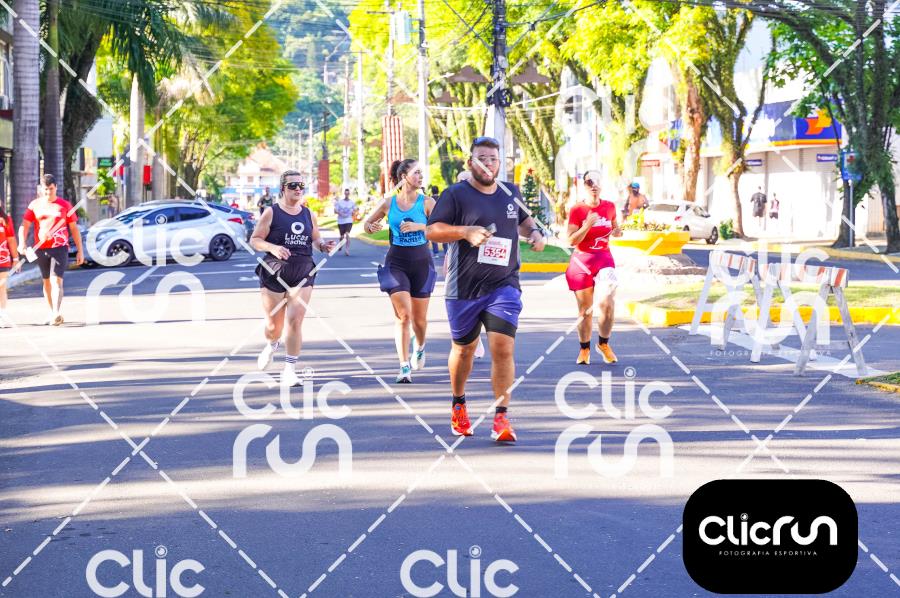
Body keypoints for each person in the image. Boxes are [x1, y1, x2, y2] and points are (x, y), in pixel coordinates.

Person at [426, 136, 545, 442]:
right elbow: (433, 230)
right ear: (471, 162)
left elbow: (524, 221)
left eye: (493, 159)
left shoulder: (510, 192)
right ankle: (459, 404)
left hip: (503, 284)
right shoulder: (455, 194)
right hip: (464, 286)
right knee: (464, 349)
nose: (488, 164)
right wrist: (464, 231)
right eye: (482, 158)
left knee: (503, 347)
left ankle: (501, 417)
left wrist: (534, 233)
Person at [251, 171, 335, 387]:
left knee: (295, 320)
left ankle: (289, 370)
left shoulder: (308, 214)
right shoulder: (272, 212)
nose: (298, 189)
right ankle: (272, 344)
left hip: (303, 269)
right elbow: (255, 240)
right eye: (293, 185)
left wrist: (323, 246)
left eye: (301, 185)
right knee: (273, 326)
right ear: (283, 188)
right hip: (275, 270)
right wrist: (273, 247)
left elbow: (315, 238)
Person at [363, 159, 436, 383]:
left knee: (419, 321)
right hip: (397, 263)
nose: (420, 177)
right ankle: (404, 367)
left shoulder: (428, 203)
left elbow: (441, 229)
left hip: (422, 263)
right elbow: (367, 224)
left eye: (421, 173)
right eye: (416, 173)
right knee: (403, 316)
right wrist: (371, 226)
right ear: (404, 177)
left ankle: (420, 347)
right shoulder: (388, 203)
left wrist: (419, 226)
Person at [565, 170, 622, 365]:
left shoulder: (610, 206)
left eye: (597, 181)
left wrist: (617, 231)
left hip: (604, 259)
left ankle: (603, 344)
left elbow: (614, 227)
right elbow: (571, 240)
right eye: (590, 182)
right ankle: (584, 349)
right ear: (584, 186)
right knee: (585, 311)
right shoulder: (577, 210)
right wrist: (587, 225)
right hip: (582, 261)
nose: (594, 185)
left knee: (607, 302)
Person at [18, 174, 84, 325]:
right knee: (46, 282)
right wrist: (22, 243)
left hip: (60, 248)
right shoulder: (34, 205)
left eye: (51, 189)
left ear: (56, 187)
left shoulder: (65, 205)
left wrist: (80, 250)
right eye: (46, 189)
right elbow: (24, 225)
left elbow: (74, 229)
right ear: (41, 189)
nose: (48, 192)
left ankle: (56, 312)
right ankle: (51, 312)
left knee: (56, 280)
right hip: (41, 249)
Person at [451, 170, 485, 360]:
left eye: (467, 179)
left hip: (485, 264)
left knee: (482, 303)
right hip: (460, 265)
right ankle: (471, 341)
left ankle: (476, 338)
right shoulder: (452, 204)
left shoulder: (485, 202)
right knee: (464, 308)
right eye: (460, 181)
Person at [0, 204, 22, 326]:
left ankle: (2, 314)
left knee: (1, 287)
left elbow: (11, 239)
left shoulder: (6, 219)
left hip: (2, 259)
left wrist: (15, 258)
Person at [334, 188, 359, 256]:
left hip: (349, 220)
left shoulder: (352, 202)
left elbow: (356, 209)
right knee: (342, 236)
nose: (347, 194)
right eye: (346, 193)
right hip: (341, 221)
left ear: (349, 194)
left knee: (347, 234)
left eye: (348, 193)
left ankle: (347, 250)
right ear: (344, 194)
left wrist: (354, 213)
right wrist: (340, 213)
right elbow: (335, 210)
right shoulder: (340, 202)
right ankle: (340, 244)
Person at [429, 185, 446, 256]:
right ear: (438, 191)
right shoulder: (442, 198)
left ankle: (436, 253)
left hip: (433, 219)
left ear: (432, 191)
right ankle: (446, 252)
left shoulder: (429, 199)